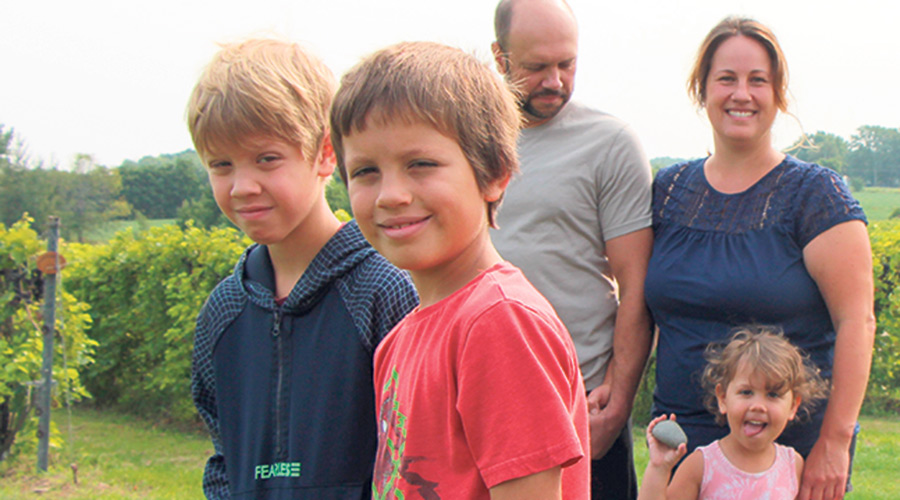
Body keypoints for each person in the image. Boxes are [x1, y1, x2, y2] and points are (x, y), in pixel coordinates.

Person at [330, 41, 590, 499]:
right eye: (366, 171)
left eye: (420, 165)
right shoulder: (397, 341)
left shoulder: (498, 322)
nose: (391, 194)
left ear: (493, 175)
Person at [644, 16, 876, 500]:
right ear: (702, 89)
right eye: (726, 78)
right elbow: (639, 309)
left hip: (786, 453)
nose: (741, 94)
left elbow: (857, 320)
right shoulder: (668, 192)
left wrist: (835, 442)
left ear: (778, 94)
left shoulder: (816, 195)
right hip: (681, 445)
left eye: (758, 81)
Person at [186, 38, 418, 499]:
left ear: (326, 154)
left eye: (266, 159)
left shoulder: (385, 290)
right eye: (221, 165)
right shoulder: (222, 313)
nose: (242, 186)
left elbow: (417, 456)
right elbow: (222, 457)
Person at [490, 1, 654, 497]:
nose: (555, 81)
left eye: (567, 64)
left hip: (578, 405)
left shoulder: (609, 143)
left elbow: (637, 285)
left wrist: (619, 401)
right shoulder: (464, 141)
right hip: (482, 400)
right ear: (499, 58)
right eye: (536, 67)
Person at [638, 326, 828, 500]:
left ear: (793, 406)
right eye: (746, 392)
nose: (758, 406)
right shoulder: (701, 466)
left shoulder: (792, 465)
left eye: (772, 395)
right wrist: (659, 467)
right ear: (722, 398)